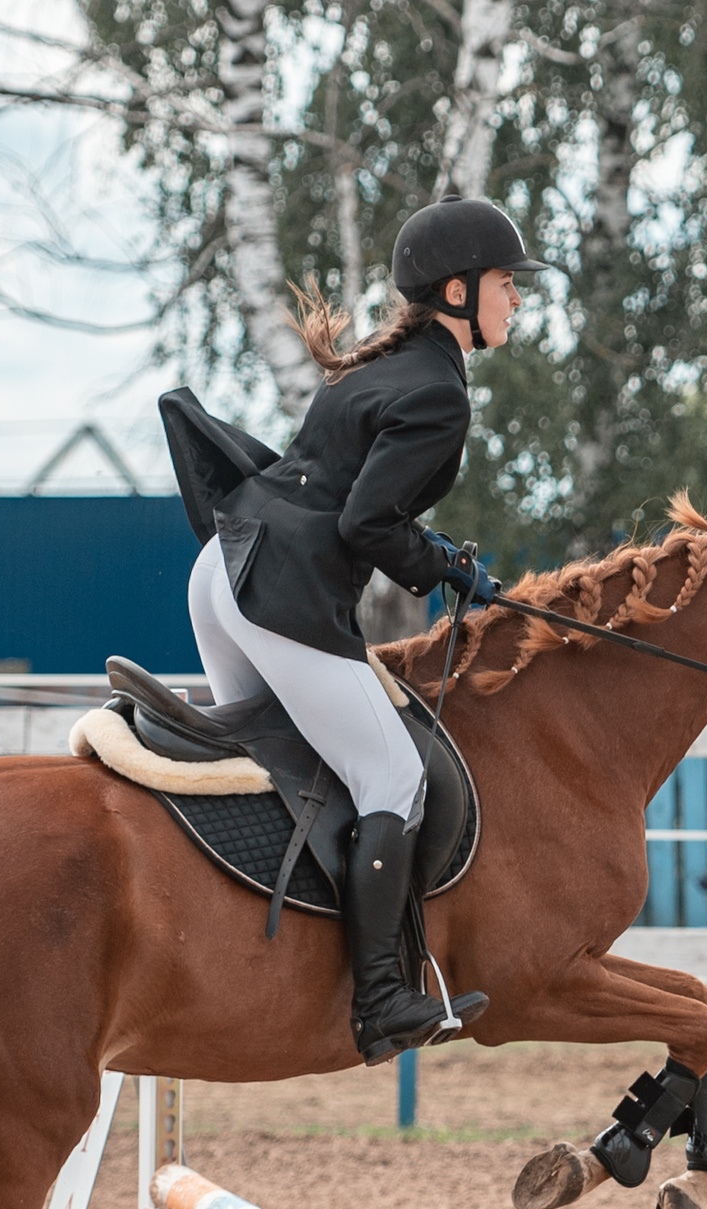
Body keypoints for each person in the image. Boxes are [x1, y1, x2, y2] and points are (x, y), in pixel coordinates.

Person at [189, 194, 549, 1065]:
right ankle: (381, 998)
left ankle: (267, 961)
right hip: (281, 594)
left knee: (295, 771)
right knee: (390, 771)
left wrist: (432, 556)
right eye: (507, 283)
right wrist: (446, 568)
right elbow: (367, 526)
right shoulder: (436, 393)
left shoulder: (381, 370)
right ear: (459, 292)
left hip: (223, 573)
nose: (516, 300)